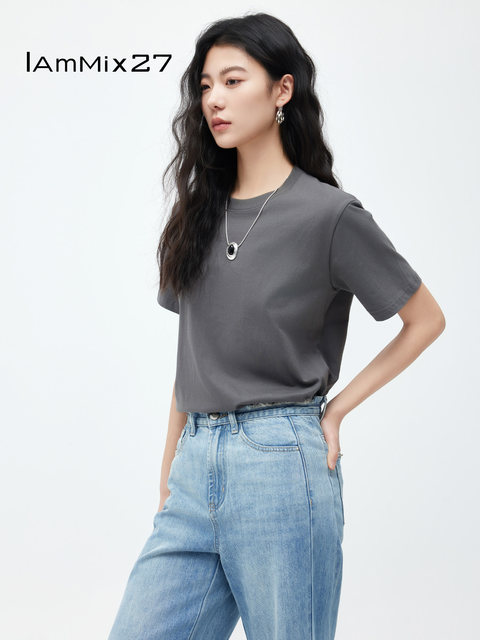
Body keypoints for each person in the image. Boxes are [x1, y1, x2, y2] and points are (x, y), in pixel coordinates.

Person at [107, 12, 445, 640]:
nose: (214, 99)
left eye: (233, 81)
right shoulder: (195, 217)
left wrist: (335, 412)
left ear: (282, 90)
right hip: (193, 470)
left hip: (281, 466)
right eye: (205, 86)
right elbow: (192, 358)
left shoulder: (329, 215)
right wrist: (169, 473)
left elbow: (424, 319)